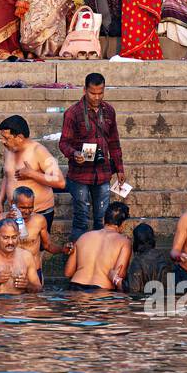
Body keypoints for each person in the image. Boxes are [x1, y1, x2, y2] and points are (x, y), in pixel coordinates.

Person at [59, 73, 126, 248]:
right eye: (92, 93)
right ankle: (77, 258)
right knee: (81, 218)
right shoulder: (72, 113)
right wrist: (74, 154)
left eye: (100, 93)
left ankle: (100, 256)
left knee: (103, 219)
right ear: (84, 90)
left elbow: (114, 142)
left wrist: (119, 168)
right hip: (79, 175)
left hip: (103, 174)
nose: (96, 97)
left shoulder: (109, 111)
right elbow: (63, 143)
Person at [0, 114, 65, 229]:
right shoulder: (8, 150)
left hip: (39, 212)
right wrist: (0, 201)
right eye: (2, 137)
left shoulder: (39, 151)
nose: (3, 141)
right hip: (16, 213)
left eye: (6, 138)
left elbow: (60, 181)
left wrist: (32, 174)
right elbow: (7, 176)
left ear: (19, 137)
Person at [0, 185, 52, 275]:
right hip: (8, 271)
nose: (27, 212)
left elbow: (48, 246)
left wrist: (63, 249)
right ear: (13, 203)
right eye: (23, 208)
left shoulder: (39, 220)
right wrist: (3, 223)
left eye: (30, 207)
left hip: (32, 272)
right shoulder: (1, 218)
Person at [65, 201, 132, 291]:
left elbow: (68, 273)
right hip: (101, 294)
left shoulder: (83, 237)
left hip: (75, 288)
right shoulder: (124, 242)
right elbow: (119, 276)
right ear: (123, 224)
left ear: (103, 219)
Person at [124, 222, 174, 294]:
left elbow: (133, 290)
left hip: (145, 303)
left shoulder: (137, 263)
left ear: (136, 242)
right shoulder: (166, 258)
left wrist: (116, 280)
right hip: (166, 302)